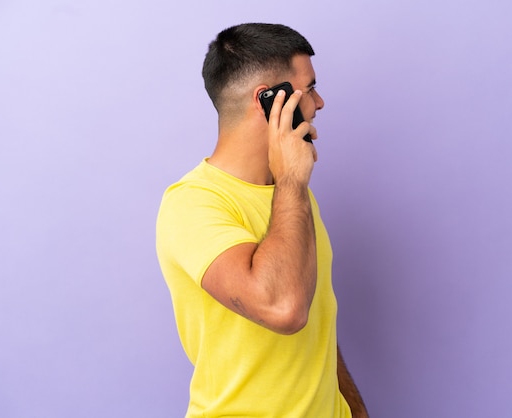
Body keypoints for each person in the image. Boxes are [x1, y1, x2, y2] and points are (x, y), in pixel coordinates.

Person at [156, 23, 368, 417]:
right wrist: (291, 179)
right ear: (268, 101)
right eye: (310, 89)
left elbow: (315, 321)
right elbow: (285, 309)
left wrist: (354, 410)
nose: (319, 103)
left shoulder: (295, 198)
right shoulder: (192, 204)